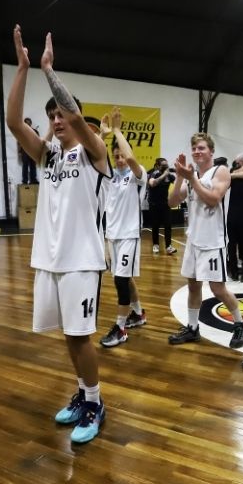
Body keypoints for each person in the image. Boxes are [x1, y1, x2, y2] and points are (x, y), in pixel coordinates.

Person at [5, 25, 111, 443]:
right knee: (68, 336)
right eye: (51, 116)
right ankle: (84, 393)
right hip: (48, 258)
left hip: (82, 258)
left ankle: (97, 403)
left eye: (61, 114)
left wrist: (50, 72)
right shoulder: (47, 154)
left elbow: (78, 118)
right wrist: (23, 68)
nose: (57, 119)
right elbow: (14, 121)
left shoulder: (93, 152)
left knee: (81, 337)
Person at [167, 132, 243, 349]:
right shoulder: (192, 177)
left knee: (218, 289)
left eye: (201, 148)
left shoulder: (220, 171)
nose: (197, 151)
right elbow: (172, 201)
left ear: (211, 151)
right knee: (193, 286)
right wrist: (181, 177)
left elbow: (213, 200)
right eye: (194, 148)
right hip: (194, 240)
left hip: (213, 242)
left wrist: (191, 177)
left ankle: (240, 323)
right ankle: (193, 328)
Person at [99, 107, 148, 348]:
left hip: (129, 235)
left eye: (121, 155)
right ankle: (138, 314)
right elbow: (94, 156)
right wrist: (103, 136)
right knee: (124, 279)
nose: (119, 159)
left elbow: (130, 158)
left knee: (120, 280)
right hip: (113, 236)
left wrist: (118, 131)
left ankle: (120, 328)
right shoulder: (110, 177)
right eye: (115, 156)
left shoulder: (139, 175)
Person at [146, 157, 177, 255]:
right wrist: (164, 175)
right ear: (158, 165)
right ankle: (156, 245)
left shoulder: (169, 175)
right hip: (154, 204)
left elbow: (177, 182)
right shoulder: (154, 173)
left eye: (166, 165)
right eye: (163, 165)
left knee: (168, 225)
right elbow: (152, 184)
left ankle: (168, 246)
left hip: (165, 204)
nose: (165, 167)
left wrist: (179, 172)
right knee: (155, 226)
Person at [18, 118, 39, 184]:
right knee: (25, 166)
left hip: (33, 150)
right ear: (24, 124)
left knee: (33, 165)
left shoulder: (35, 131)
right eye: (26, 123)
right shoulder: (21, 131)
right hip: (24, 151)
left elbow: (38, 141)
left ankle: (33, 179)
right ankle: (25, 180)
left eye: (29, 123)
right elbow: (19, 142)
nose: (28, 124)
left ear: (31, 124)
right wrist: (19, 151)